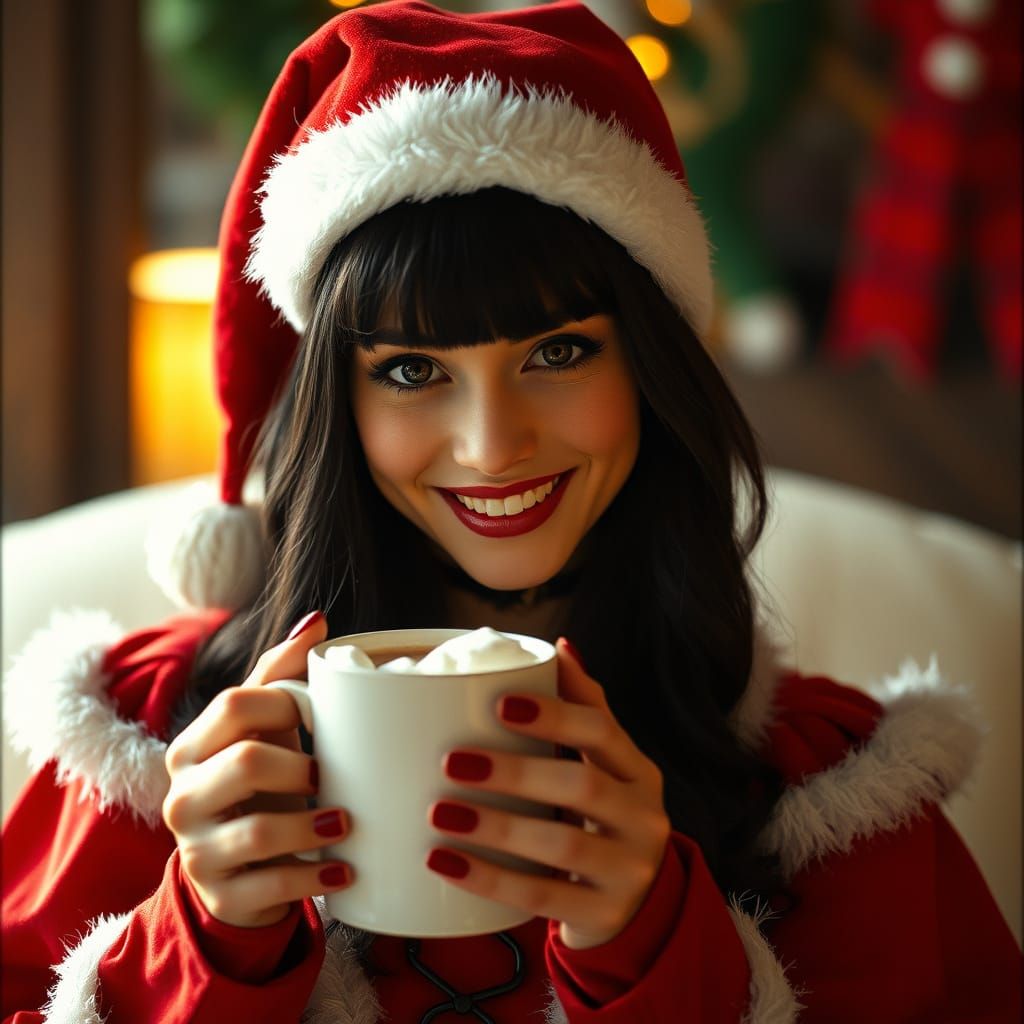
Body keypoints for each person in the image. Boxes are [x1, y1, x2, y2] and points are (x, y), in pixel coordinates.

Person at [2, 2, 1019, 1021]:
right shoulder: (155, 751)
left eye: (558, 352)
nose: (492, 445)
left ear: (648, 368)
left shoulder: (832, 798)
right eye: (410, 368)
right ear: (336, 405)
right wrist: (204, 940)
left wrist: (654, 946)